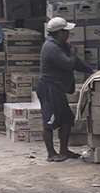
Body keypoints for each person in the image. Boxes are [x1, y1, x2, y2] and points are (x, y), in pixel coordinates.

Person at [36, 17, 95, 162]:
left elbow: (76, 63)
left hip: (57, 88)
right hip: (49, 88)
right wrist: (73, 52)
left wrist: (92, 71)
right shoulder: (51, 47)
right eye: (66, 31)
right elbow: (69, 63)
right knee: (49, 121)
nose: (68, 34)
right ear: (59, 33)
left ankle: (64, 150)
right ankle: (51, 154)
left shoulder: (60, 45)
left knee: (67, 119)